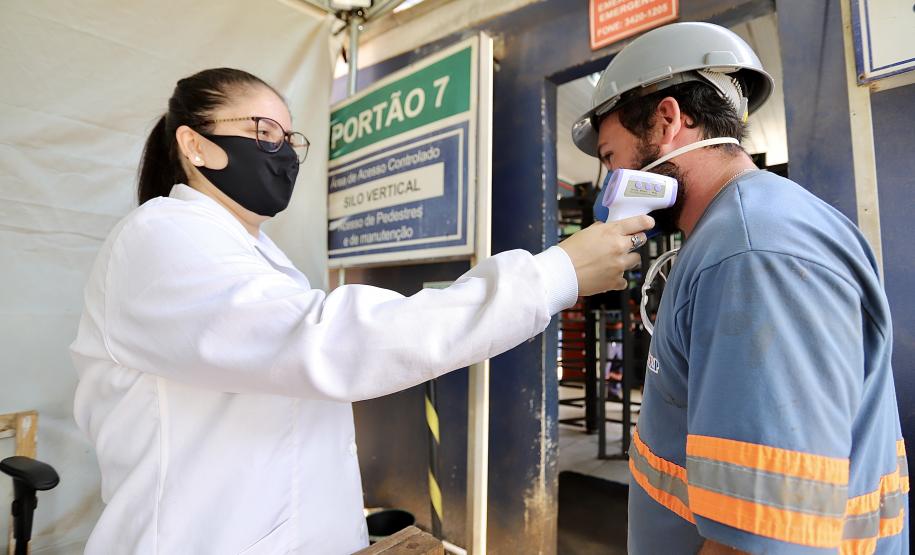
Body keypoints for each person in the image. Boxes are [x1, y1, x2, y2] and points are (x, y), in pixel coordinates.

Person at [69, 67, 653, 553]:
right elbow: (330, 344)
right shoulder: (159, 238)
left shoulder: (253, 255)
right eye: (264, 132)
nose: (283, 152)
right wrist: (555, 274)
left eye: (290, 140)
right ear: (195, 144)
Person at [573, 22, 908, 555]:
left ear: (667, 121)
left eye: (610, 158)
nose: (608, 183)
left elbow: (763, 538)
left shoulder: (753, 255)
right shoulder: (735, 233)